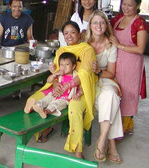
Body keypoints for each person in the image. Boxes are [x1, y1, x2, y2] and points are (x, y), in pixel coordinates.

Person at [27, 21, 97, 159]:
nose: (69, 36)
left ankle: (78, 151)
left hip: (79, 90)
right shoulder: (61, 51)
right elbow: (56, 72)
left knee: (74, 109)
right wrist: (54, 84)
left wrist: (67, 86)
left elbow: (84, 74)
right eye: (66, 33)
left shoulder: (87, 50)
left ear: (79, 34)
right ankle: (46, 127)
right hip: (59, 87)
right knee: (32, 100)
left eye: (73, 32)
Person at [85, 10, 123, 164]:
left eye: (102, 22)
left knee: (111, 96)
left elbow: (111, 73)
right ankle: (111, 144)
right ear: (90, 25)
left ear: (106, 25)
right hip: (87, 81)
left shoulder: (110, 45)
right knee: (113, 104)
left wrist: (99, 71)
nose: (98, 26)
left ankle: (101, 140)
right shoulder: (84, 42)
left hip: (103, 78)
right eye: (95, 22)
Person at [110, 0, 148, 136]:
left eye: (130, 5)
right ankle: (119, 125)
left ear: (138, 5)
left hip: (131, 65)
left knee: (128, 95)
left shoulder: (140, 23)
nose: (126, 8)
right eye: (124, 4)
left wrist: (119, 46)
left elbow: (140, 49)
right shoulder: (119, 18)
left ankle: (124, 127)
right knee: (116, 92)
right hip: (116, 63)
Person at [24, 52, 81, 119]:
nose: (64, 67)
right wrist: (55, 74)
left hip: (64, 99)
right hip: (54, 94)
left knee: (54, 105)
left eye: (67, 64)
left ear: (73, 66)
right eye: (61, 65)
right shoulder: (59, 74)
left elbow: (80, 88)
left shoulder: (75, 76)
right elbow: (49, 80)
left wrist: (78, 95)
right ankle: (37, 106)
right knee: (45, 99)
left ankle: (45, 112)